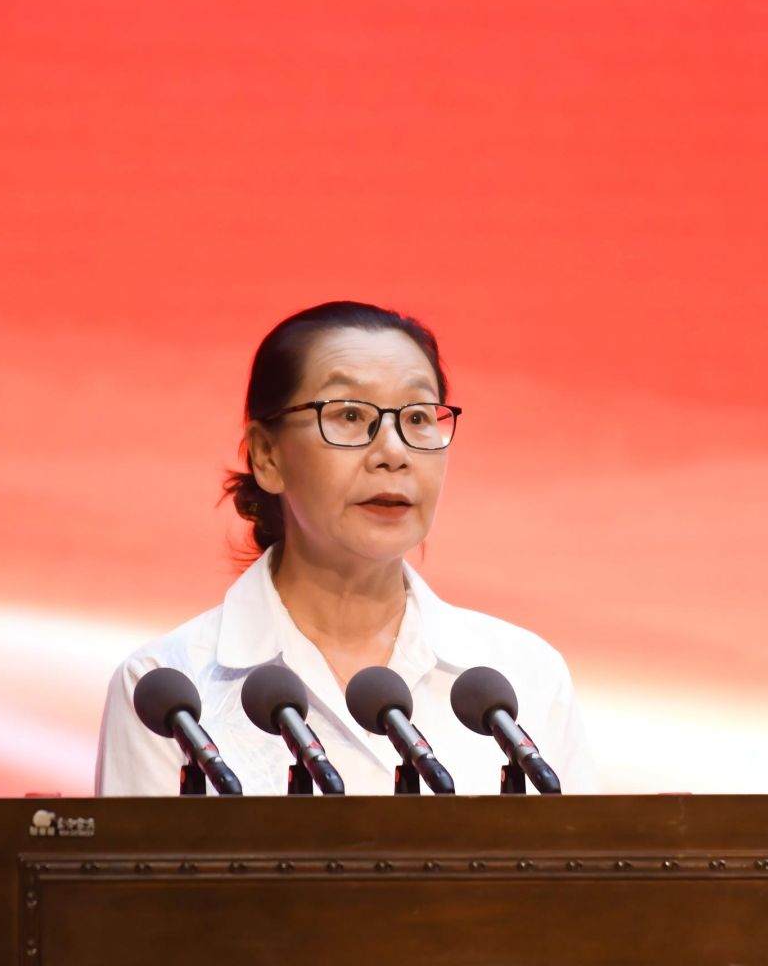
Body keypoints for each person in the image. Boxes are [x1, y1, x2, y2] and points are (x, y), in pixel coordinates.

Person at [94, 300, 595, 796]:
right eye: (350, 415)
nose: (394, 452)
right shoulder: (168, 689)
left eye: (418, 417)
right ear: (267, 456)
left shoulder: (523, 675)